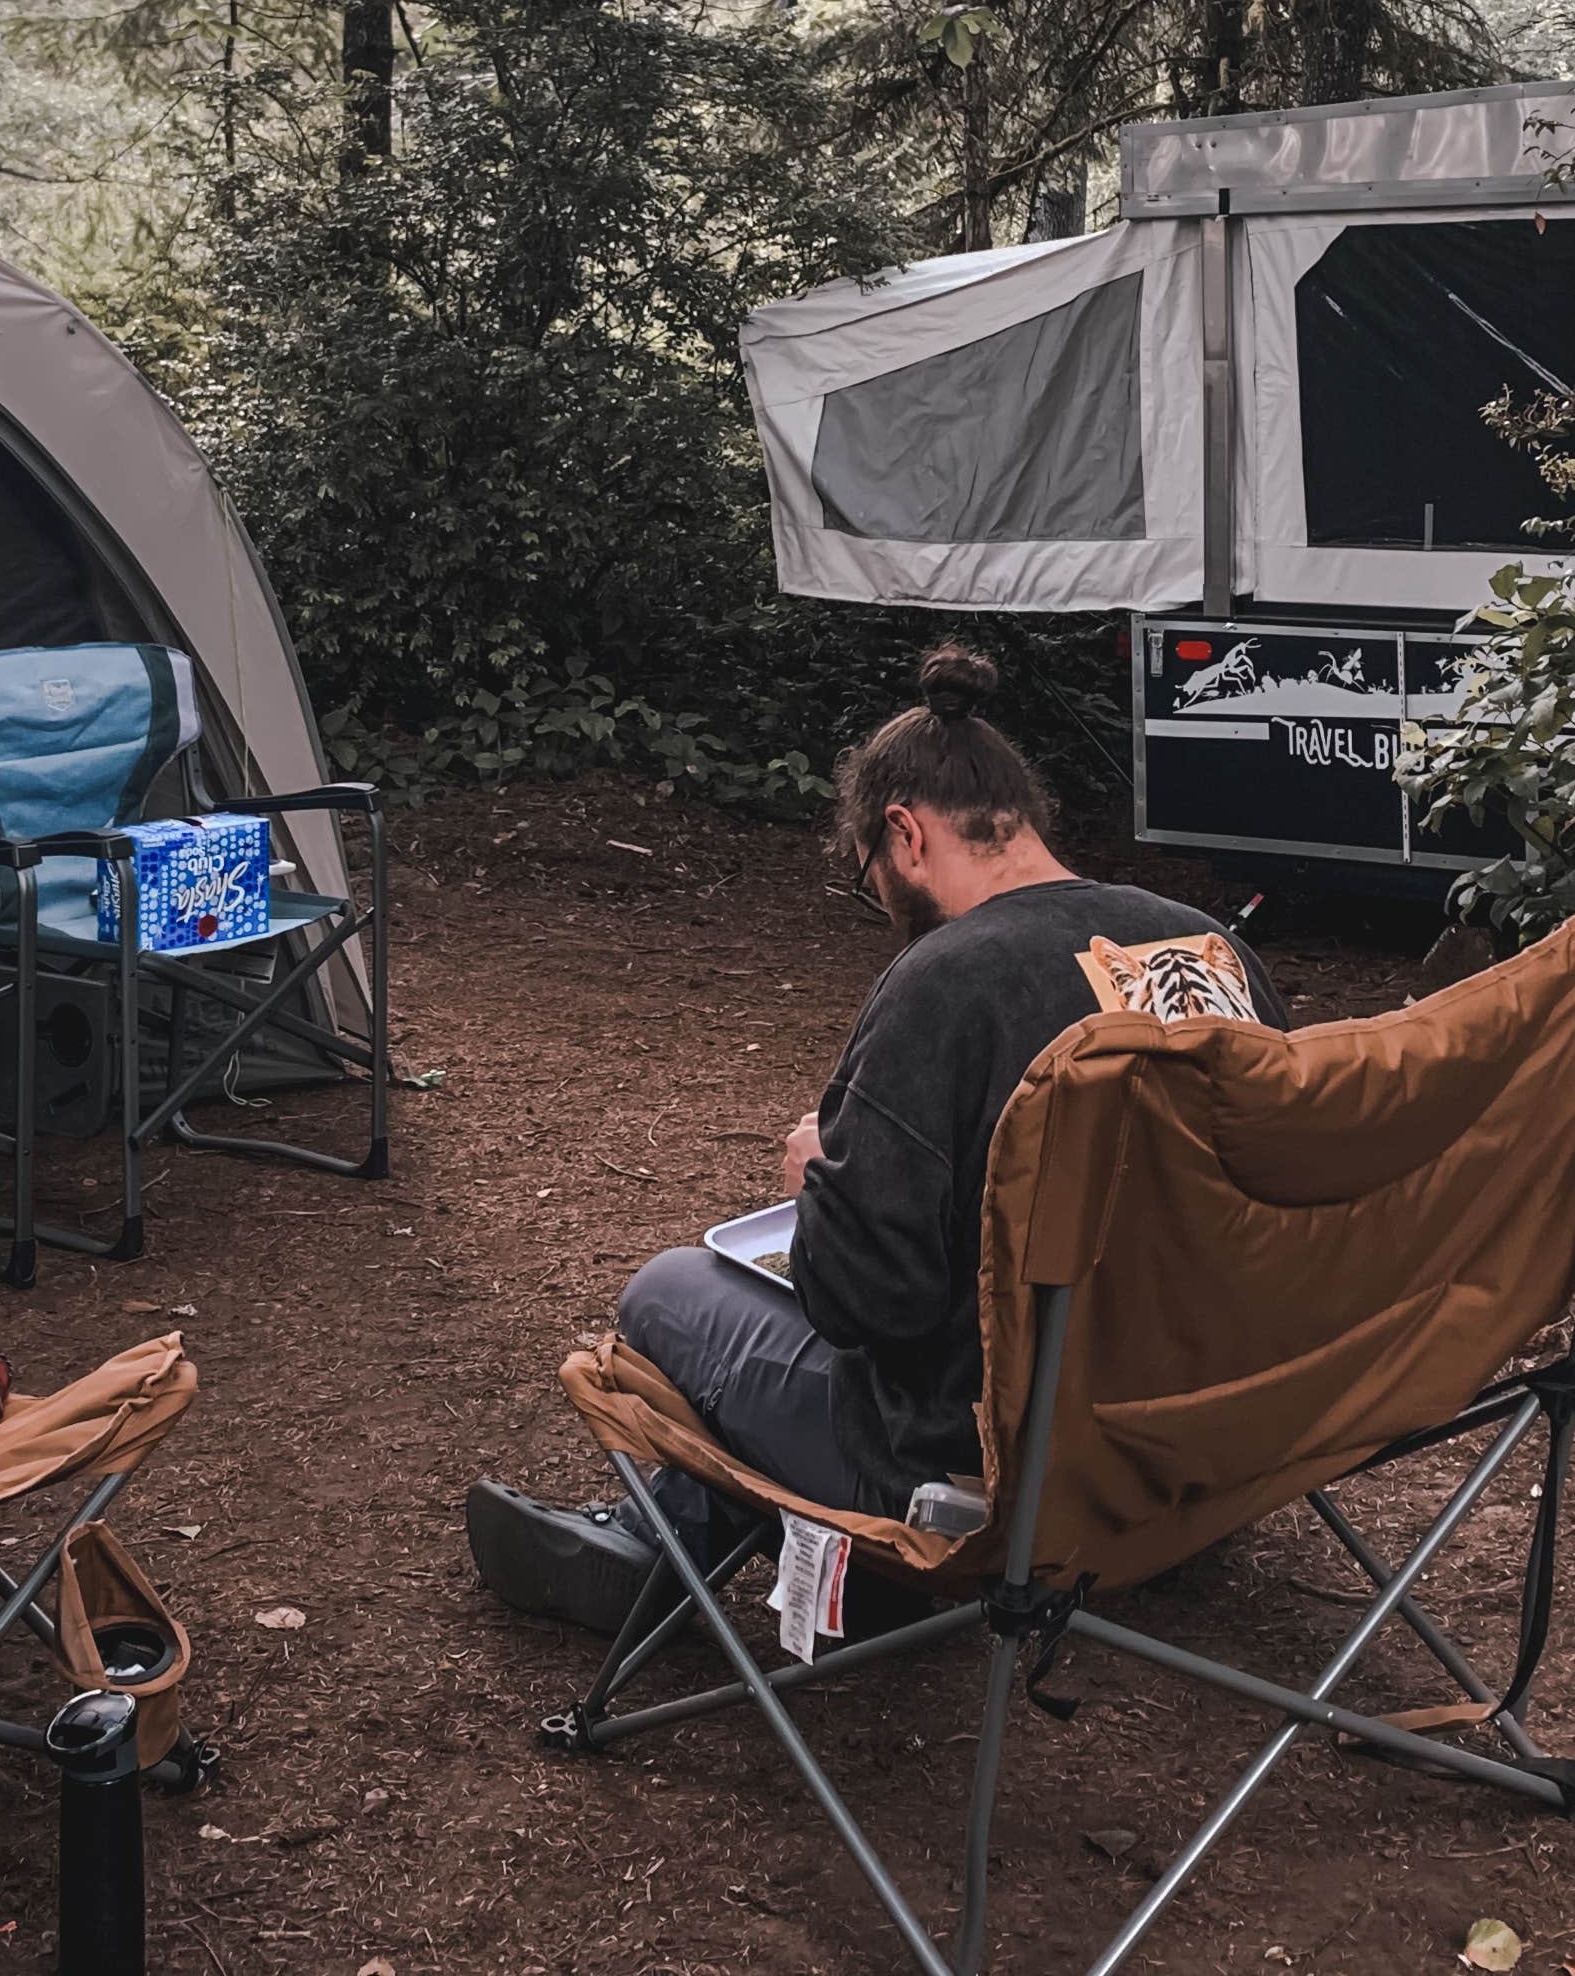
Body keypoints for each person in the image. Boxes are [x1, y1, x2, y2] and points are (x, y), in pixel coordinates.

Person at [464, 640, 1282, 1632]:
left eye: (869, 877)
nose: (883, 905)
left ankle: (676, 1546)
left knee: (671, 1290)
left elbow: (869, 1305)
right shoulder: (1209, 948)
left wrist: (825, 1183)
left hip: (997, 1477)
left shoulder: (949, 981)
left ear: (905, 834)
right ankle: (686, 1541)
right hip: (1195, 1434)